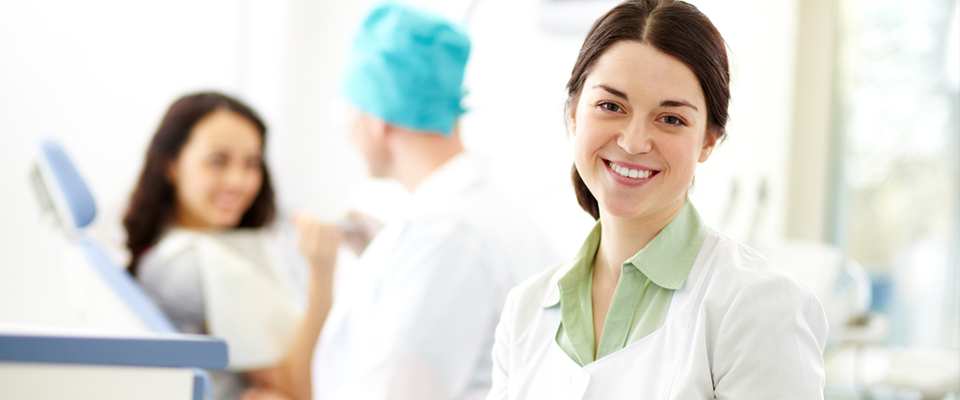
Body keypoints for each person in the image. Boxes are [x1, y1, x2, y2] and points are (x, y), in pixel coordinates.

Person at [487, 1, 829, 399]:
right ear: (575, 113)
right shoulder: (525, 310)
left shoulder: (756, 304)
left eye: (670, 119)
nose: (633, 142)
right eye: (611, 106)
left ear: (708, 141)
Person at [308, 3, 560, 400]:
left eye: (347, 113)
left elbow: (397, 392)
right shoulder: (475, 220)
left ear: (378, 119)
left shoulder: (446, 237)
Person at [124, 92, 340, 400]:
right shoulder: (190, 263)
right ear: (171, 165)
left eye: (252, 162)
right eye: (217, 161)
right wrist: (322, 272)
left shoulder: (192, 250)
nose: (239, 181)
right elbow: (302, 387)